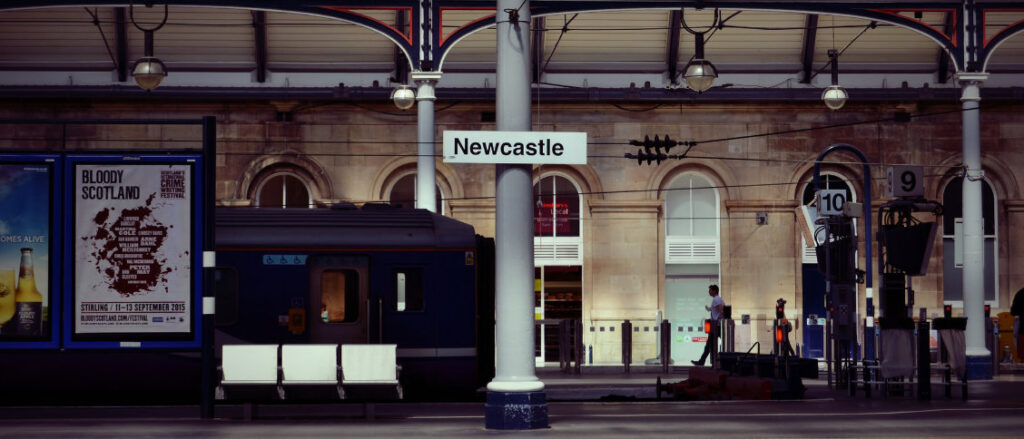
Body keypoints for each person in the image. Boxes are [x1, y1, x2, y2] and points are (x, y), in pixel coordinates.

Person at [692, 284, 725, 366]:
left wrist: (720, 317)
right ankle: (703, 361)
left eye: (710, 290)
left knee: (710, 345)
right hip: (717, 325)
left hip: (716, 325)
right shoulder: (718, 299)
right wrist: (709, 309)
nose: (709, 292)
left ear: (714, 291)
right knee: (709, 345)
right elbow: (716, 309)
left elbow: (720, 309)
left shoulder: (716, 299)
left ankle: (711, 362)